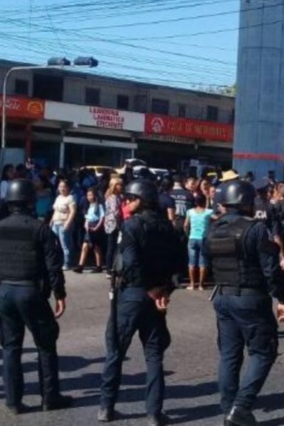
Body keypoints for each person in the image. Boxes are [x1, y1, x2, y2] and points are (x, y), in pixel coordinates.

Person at [0, 179, 72, 414]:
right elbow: (54, 265)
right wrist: (60, 294)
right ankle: (49, 397)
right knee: (46, 344)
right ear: (31, 201)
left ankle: (13, 401)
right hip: (31, 291)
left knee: (11, 347)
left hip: (6, 292)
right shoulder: (40, 229)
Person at [205, 180, 284, 426]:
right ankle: (240, 408)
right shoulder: (255, 229)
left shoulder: (213, 228)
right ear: (245, 202)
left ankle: (228, 409)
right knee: (264, 351)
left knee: (229, 355)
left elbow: (206, 257)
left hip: (222, 296)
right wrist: (282, 298)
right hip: (250, 297)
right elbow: (271, 269)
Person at [98, 179, 181, 425]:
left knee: (115, 351)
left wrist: (151, 289)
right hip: (156, 297)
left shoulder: (132, 226)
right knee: (154, 355)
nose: (126, 202)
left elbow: (131, 262)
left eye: (129, 199)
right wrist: (163, 290)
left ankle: (106, 407)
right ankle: (154, 413)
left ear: (141, 200)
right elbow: (178, 266)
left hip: (133, 294)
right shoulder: (169, 227)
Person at [184, 193, 213, 290]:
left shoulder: (190, 212)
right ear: (204, 202)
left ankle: (192, 284)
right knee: (203, 262)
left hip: (192, 238)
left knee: (191, 263)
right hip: (204, 239)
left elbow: (185, 225)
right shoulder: (209, 212)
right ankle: (201, 285)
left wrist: (188, 235)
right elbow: (217, 218)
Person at [73, 187, 105, 274]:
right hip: (89, 227)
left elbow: (102, 217)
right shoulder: (89, 206)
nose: (89, 197)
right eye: (88, 195)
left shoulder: (99, 206)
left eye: (90, 195)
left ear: (95, 195)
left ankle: (98, 266)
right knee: (85, 246)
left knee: (96, 247)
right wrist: (86, 224)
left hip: (95, 226)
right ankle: (81, 265)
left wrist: (97, 227)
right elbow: (87, 217)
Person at [50, 179, 76, 270]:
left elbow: (73, 211)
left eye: (64, 186)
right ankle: (57, 262)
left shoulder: (70, 198)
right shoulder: (58, 197)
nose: (62, 188)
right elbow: (55, 211)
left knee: (65, 244)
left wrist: (68, 223)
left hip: (63, 223)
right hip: (55, 223)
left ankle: (67, 263)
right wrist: (51, 222)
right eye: (60, 186)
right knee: (54, 244)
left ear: (68, 187)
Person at [104, 177, 124, 278]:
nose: (121, 187)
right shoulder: (112, 198)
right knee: (111, 247)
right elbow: (115, 212)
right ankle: (109, 269)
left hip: (117, 224)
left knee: (116, 247)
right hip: (112, 224)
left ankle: (115, 267)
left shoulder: (120, 196)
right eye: (119, 185)